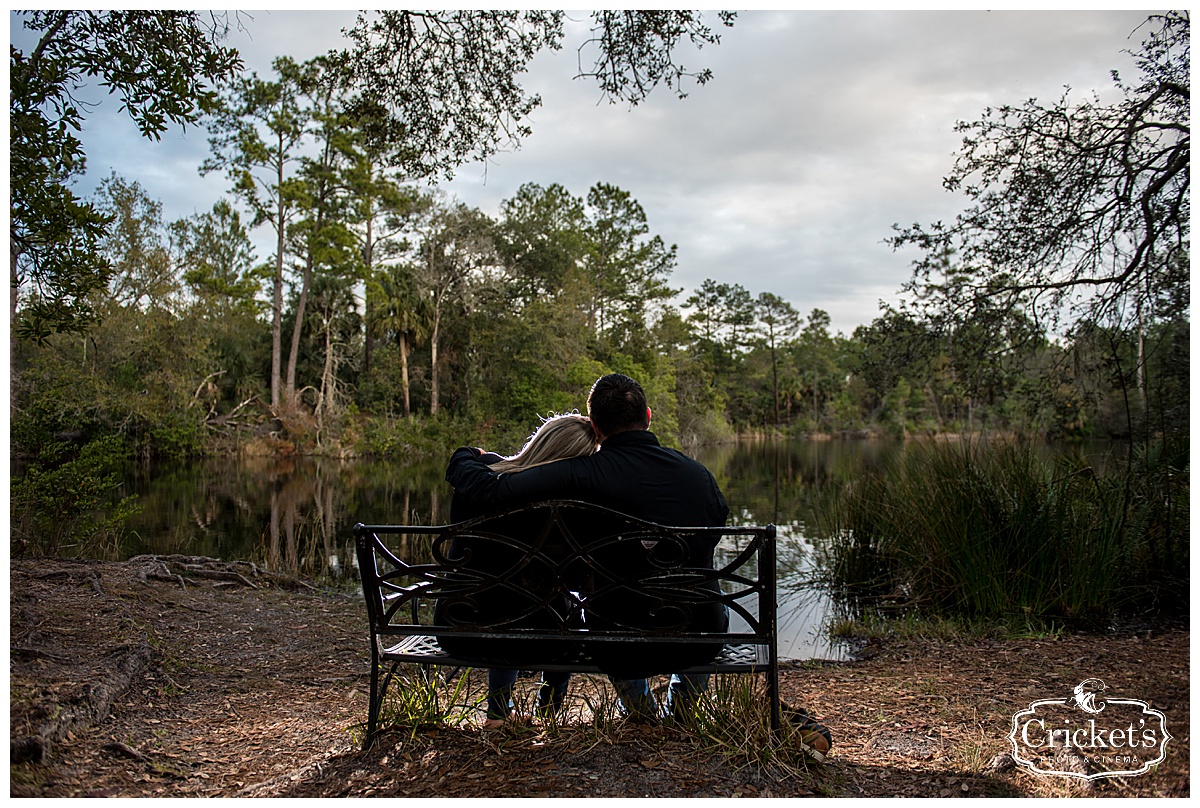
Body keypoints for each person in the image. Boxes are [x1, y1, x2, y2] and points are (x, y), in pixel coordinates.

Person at [446, 373, 729, 720]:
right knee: (704, 593)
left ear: (594, 427)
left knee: (610, 609)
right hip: (700, 632)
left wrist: (465, 456)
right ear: (649, 416)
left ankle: (643, 714)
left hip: (617, 641)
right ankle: (683, 712)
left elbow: (491, 492)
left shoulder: (579, 475)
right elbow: (712, 535)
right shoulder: (697, 475)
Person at [436, 412, 598, 730]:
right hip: (543, 640)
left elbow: (465, 456)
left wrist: (477, 456)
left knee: (501, 597)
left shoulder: (482, 481)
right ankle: (548, 714)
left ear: (541, 440)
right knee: (560, 613)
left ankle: (497, 715)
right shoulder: (571, 505)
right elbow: (580, 578)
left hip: (459, 627)